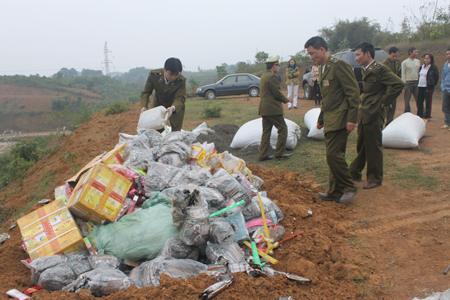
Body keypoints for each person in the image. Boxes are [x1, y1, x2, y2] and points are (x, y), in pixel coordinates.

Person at [304, 36, 359, 203]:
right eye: (309, 54)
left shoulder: (339, 65)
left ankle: (349, 187)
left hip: (341, 118)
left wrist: (352, 119)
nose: (311, 57)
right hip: (330, 118)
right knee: (334, 155)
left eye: (312, 53)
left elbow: (353, 93)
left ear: (322, 49)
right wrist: (321, 118)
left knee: (333, 155)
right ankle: (335, 191)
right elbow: (328, 98)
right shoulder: (323, 68)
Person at [349, 42, 404, 190]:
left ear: (368, 54)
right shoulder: (365, 69)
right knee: (362, 144)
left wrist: (384, 102)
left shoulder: (380, 69)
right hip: (365, 112)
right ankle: (355, 172)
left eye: (358, 55)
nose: (356, 58)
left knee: (373, 146)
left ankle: (375, 178)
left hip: (374, 113)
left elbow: (398, 84)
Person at [258, 55, 293, 161]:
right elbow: (277, 93)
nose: (278, 68)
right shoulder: (272, 77)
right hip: (272, 109)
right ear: (274, 66)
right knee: (283, 128)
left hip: (264, 109)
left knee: (266, 132)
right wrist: (287, 99)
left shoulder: (264, 76)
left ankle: (263, 155)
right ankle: (279, 153)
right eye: (278, 66)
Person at [140, 57, 186, 131]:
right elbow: (146, 93)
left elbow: (180, 98)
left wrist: (172, 108)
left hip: (175, 108)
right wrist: (143, 107)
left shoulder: (181, 80)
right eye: (170, 74)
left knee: (175, 135)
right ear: (164, 69)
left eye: (176, 74)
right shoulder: (154, 76)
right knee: (157, 132)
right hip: (158, 106)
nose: (173, 77)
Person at [381, 46, 401, 125]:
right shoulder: (384, 64)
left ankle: (389, 124)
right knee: (386, 107)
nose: (395, 58)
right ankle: (381, 124)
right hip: (387, 89)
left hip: (394, 89)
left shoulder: (398, 62)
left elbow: (399, 74)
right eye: (393, 56)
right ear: (389, 54)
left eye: (396, 56)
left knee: (393, 107)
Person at [417, 53, 439, 120]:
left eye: (428, 58)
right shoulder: (422, 66)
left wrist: (432, 84)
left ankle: (427, 115)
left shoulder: (433, 67)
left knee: (428, 102)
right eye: (425, 58)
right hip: (420, 86)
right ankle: (420, 114)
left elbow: (436, 77)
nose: (426, 60)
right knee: (419, 101)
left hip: (428, 87)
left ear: (431, 59)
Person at [401, 47, 421, 113]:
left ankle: (421, 112)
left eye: (417, 52)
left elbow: (419, 72)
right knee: (407, 99)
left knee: (418, 98)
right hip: (408, 82)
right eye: (415, 52)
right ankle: (407, 112)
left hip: (416, 82)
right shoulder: (405, 62)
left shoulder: (418, 61)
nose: (416, 53)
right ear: (410, 52)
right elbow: (403, 74)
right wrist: (403, 85)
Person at [441, 48, 450, 130]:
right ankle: (447, 123)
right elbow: (443, 77)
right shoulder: (445, 65)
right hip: (446, 88)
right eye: (447, 54)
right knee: (445, 106)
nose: (448, 56)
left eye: (449, 54)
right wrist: (443, 86)